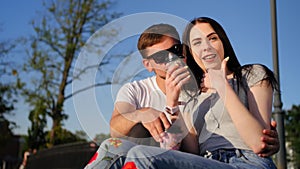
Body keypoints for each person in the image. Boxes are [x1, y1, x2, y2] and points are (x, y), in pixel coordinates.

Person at [85, 23, 279, 169]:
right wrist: (167, 106)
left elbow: (259, 141)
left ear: (185, 53)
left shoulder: (248, 74)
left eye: (176, 51)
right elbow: (184, 152)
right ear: (148, 65)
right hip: (201, 160)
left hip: (244, 161)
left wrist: (221, 84)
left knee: (139, 155)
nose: (172, 59)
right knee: (113, 147)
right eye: (161, 57)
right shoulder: (187, 95)